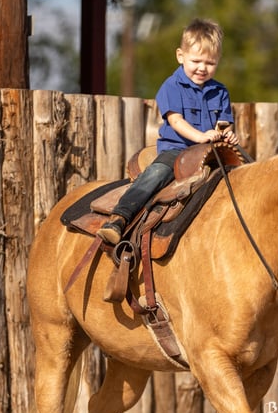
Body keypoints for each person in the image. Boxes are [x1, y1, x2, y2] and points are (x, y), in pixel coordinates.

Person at [97, 18, 240, 245]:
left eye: (210, 63)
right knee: (155, 175)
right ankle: (119, 218)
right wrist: (201, 137)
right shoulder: (172, 86)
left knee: (245, 173)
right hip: (177, 151)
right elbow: (176, 121)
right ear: (180, 56)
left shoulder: (220, 91)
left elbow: (224, 123)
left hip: (212, 152)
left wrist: (228, 134)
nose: (202, 68)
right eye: (196, 61)